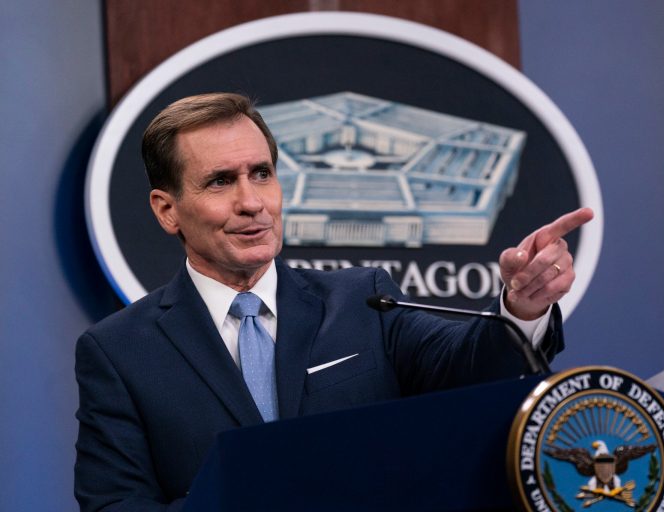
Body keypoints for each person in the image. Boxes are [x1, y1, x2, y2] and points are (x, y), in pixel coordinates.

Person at [74, 92, 593, 511]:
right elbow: (114, 504)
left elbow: (472, 369)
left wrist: (522, 307)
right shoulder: (119, 351)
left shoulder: (363, 300)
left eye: (262, 174)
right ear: (167, 210)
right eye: (220, 181)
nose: (252, 202)